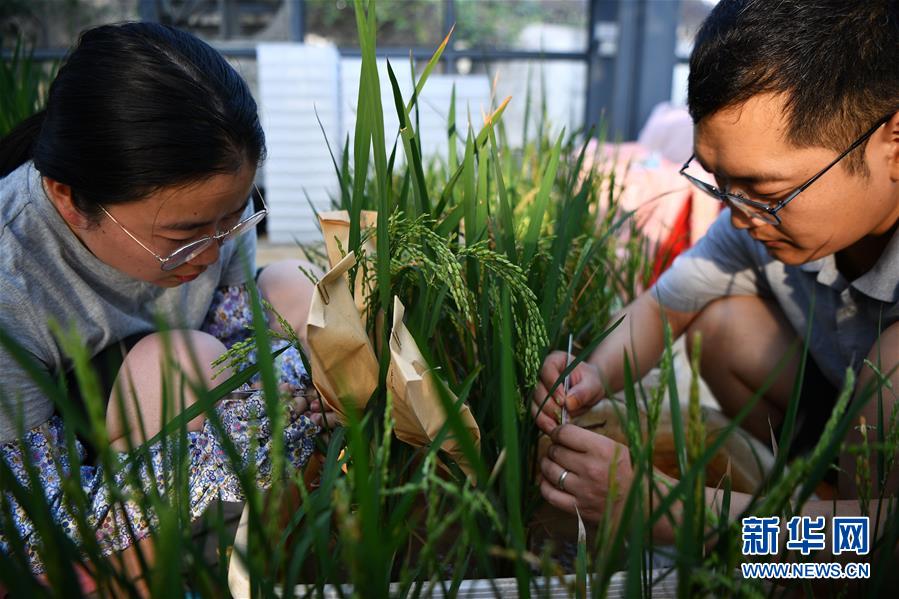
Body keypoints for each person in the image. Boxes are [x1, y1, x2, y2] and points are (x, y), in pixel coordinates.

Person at [533, 0, 899, 556]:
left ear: (892, 142)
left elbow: (884, 553)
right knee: (719, 323)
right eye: (719, 182)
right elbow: (664, 306)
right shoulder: (757, 223)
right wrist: (589, 377)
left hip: (876, 527)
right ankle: (815, 501)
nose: (740, 212)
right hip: (840, 421)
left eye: (768, 192)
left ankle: (813, 549)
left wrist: (657, 508)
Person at [0, 22, 332, 584]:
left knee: (292, 285)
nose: (217, 245)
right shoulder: (12, 282)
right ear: (69, 197)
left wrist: (303, 375)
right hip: (90, 500)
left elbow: (232, 328)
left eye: (236, 216)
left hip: (174, 425)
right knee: (180, 364)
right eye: (187, 236)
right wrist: (268, 418)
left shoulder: (213, 209)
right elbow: (33, 523)